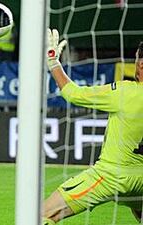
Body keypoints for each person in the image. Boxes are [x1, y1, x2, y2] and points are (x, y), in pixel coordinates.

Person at [43, 29, 143, 224]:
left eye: (136, 59)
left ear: (141, 64)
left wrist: (53, 62)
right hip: (141, 182)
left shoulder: (125, 92)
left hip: (112, 176)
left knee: (42, 214)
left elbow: (73, 94)